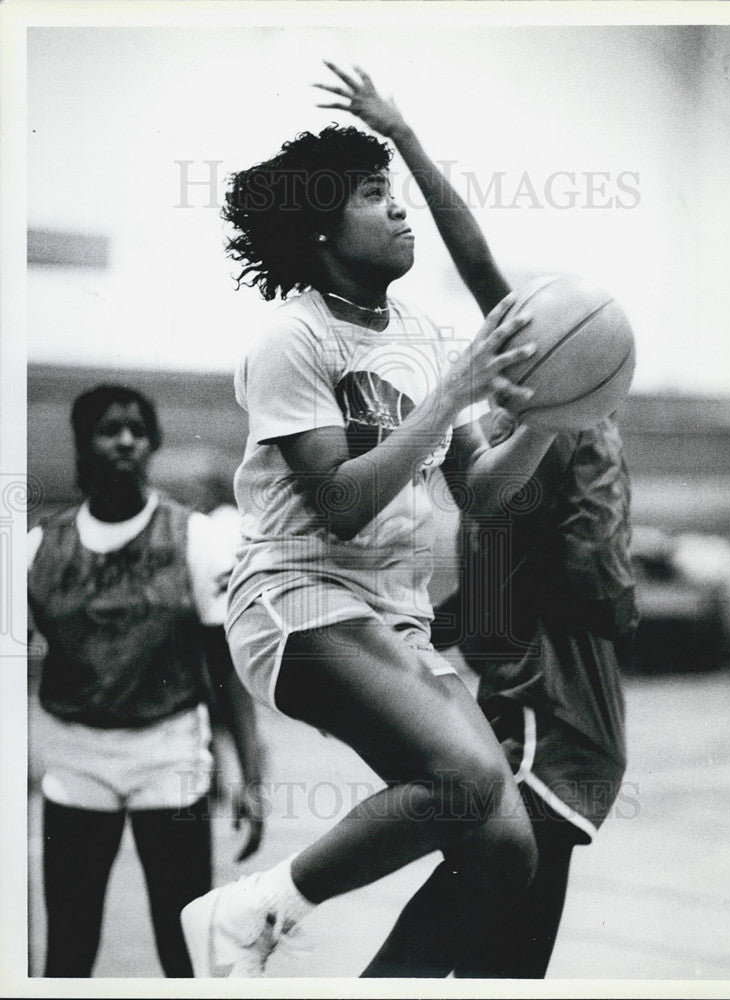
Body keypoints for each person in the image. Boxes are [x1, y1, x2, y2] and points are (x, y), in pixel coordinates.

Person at [179, 85, 566, 978]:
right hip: (293, 595)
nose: (397, 207)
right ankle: (249, 914)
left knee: (506, 846)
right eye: (369, 194)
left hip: (393, 612)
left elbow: (482, 495)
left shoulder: (427, 336)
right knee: (469, 778)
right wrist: (453, 396)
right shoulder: (292, 337)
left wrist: (545, 421)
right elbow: (343, 503)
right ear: (320, 228)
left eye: (392, 189)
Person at [315, 63, 639, 977]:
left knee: (498, 959)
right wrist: (406, 138)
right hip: (551, 719)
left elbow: (489, 605)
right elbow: (481, 267)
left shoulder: (562, 432)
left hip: (565, 714)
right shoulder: (519, 443)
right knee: (460, 947)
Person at [27, 385, 266, 978]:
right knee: (70, 948)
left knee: (182, 945)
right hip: (76, 754)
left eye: (138, 430)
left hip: (170, 753)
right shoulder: (37, 549)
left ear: (153, 445)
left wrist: (253, 776)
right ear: (83, 445)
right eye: (109, 430)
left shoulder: (195, 538)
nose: (126, 440)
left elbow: (226, 671)